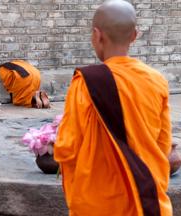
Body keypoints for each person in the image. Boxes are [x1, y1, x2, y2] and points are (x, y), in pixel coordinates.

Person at [54, 1, 172, 215]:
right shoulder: (157, 80)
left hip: (97, 204)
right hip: (144, 200)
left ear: (97, 35)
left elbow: (67, 148)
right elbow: (162, 145)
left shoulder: (85, 83)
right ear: (135, 35)